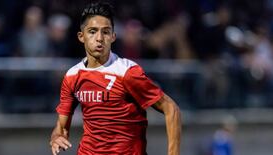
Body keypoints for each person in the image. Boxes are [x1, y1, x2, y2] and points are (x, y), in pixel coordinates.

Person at [50, 2, 181, 155]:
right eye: (92, 31)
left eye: (105, 32)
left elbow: (171, 109)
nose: (99, 38)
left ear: (113, 37)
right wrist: (56, 136)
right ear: (81, 36)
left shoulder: (127, 72)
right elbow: (61, 127)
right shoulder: (72, 76)